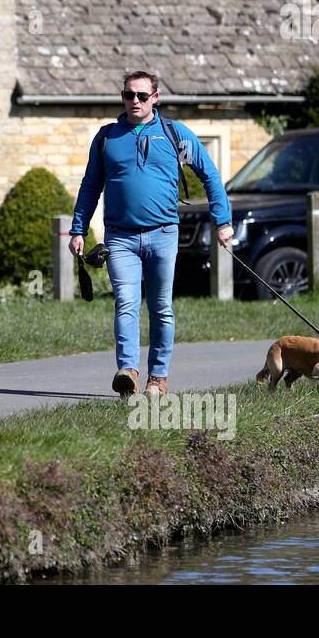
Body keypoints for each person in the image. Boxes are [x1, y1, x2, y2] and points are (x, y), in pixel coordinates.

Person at [69, 71, 234, 397]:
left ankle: (157, 378)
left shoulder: (174, 134)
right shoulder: (107, 138)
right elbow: (90, 186)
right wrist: (78, 229)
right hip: (120, 237)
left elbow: (210, 175)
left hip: (163, 234)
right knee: (126, 303)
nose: (135, 101)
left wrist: (223, 221)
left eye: (142, 96)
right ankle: (128, 370)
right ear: (123, 97)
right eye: (129, 95)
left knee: (160, 306)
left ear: (155, 98)